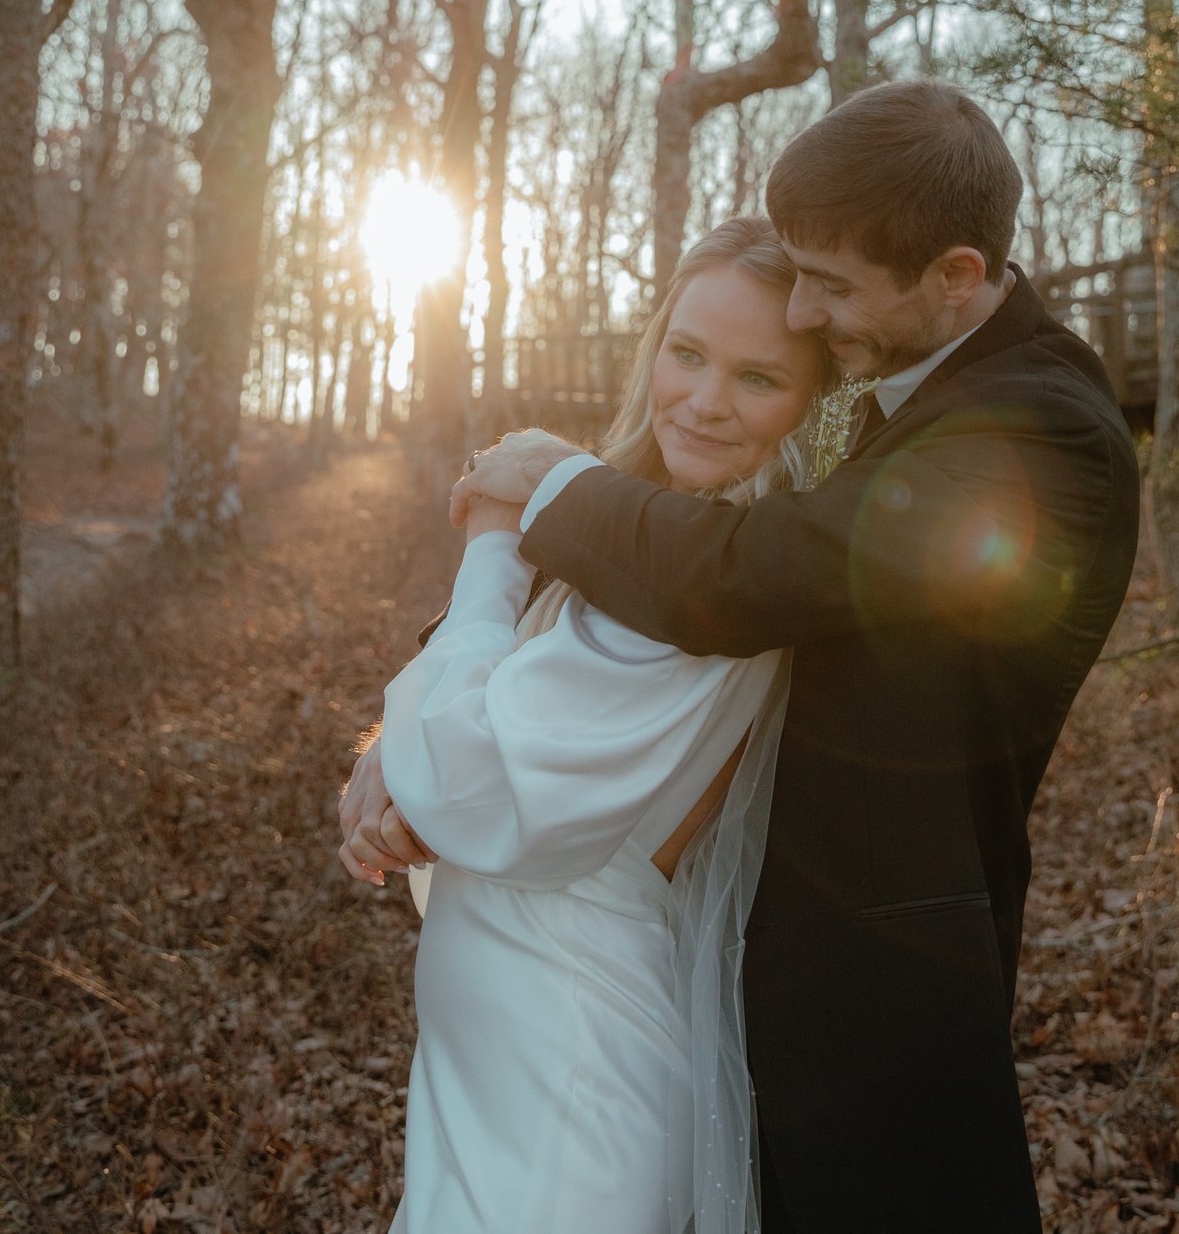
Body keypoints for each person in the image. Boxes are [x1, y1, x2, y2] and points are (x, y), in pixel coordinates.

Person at [378, 79, 1142, 1233]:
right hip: (727, 966)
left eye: (830, 289)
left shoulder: (1037, 431)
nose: (808, 314)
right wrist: (394, 736)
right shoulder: (903, 399)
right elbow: (645, 588)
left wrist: (544, 490)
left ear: (956, 274)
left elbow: (750, 572)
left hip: (867, 984)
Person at [358, 217, 838, 1234]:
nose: (704, 401)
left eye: (759, 377)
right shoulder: (648, 545)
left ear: (812, 401)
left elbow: (472, 773)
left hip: (565, 1078)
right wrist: (385, 766)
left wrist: (492, 542)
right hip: (498, 1065)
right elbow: (474, 749)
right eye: (688, 352)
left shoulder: (700, 586)